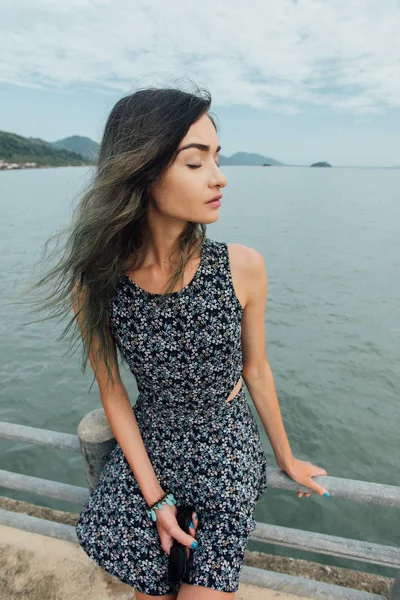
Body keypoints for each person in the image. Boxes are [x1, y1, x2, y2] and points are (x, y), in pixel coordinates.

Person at [48, 83, 329, 599]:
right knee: (148, 590)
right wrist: (154, 500)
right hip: (151, 445)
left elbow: (256, 369)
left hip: (225, 442)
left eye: (216, 159)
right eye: (195, 163)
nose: (219, 178)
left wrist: (285, 458)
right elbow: (113, 393)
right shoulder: (97, 284)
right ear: (144, 171)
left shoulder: (241, 267)